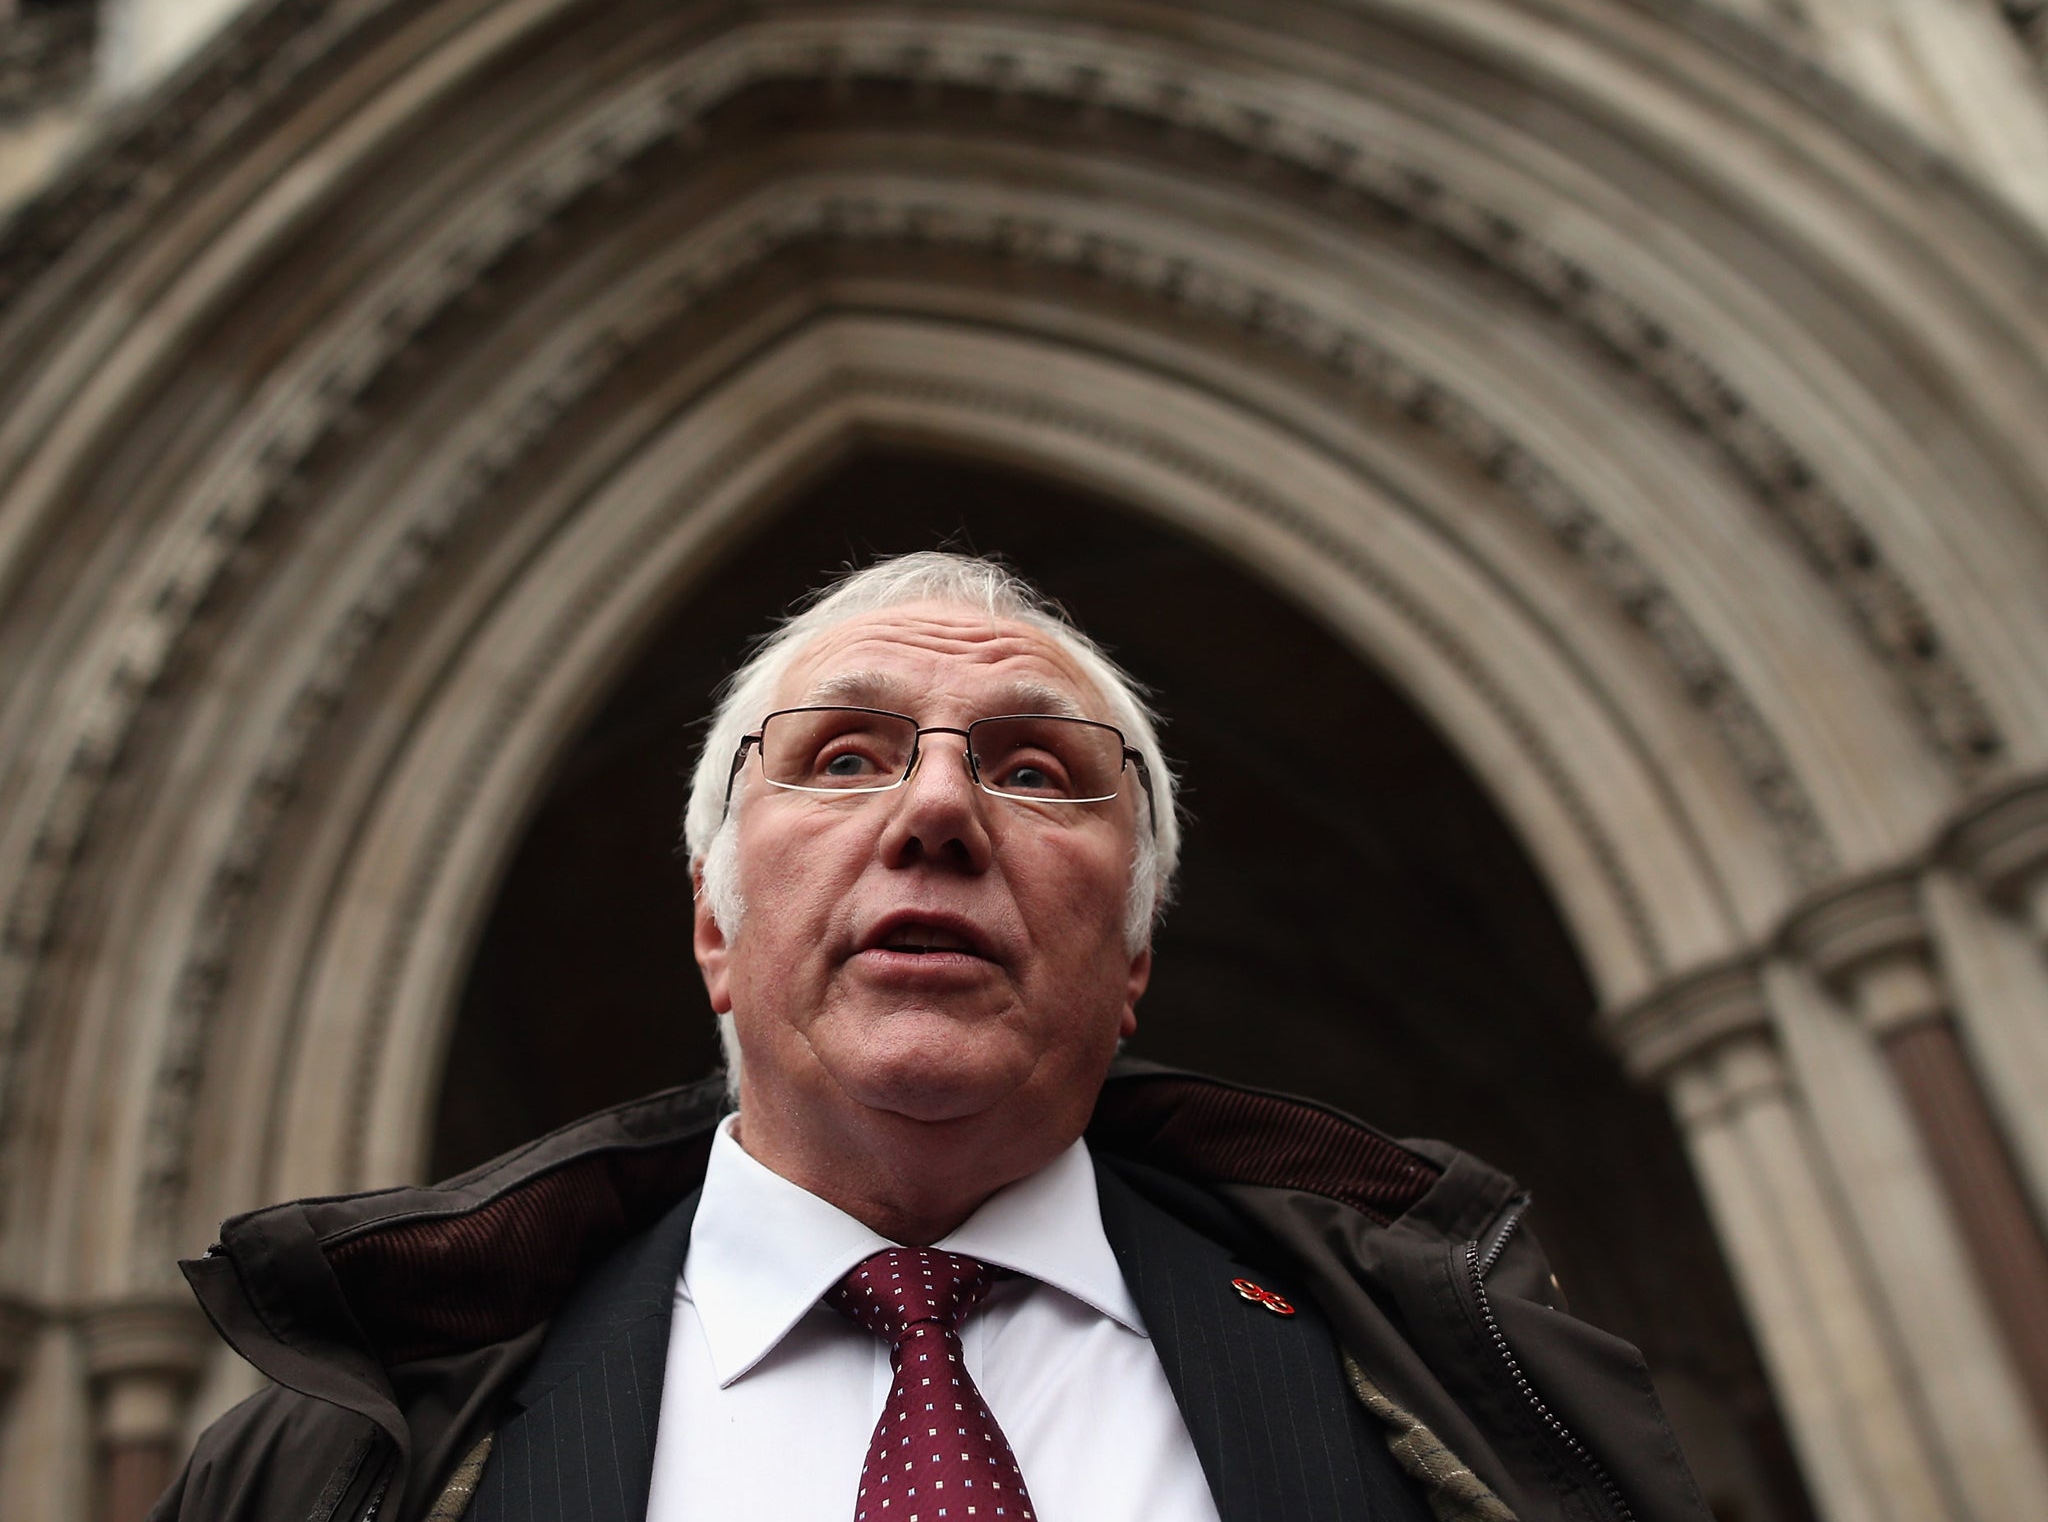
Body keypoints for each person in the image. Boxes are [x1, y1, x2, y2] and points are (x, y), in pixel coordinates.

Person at [154, 553, 1710, 1522]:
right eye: (843, 757)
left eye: (1038, 772)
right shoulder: (335, 1465)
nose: (941, 811)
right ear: (715, 922)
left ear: (1135, 957)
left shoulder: (1481, 1401)